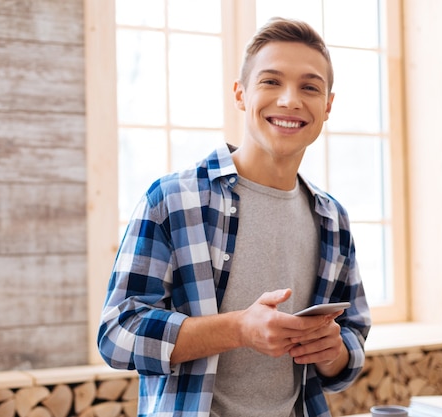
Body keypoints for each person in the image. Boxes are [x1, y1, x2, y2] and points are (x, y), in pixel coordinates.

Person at [97, 17, 371, 417]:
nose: (290, 100)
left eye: (309, 87)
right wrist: (239, 329)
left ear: (327, 105)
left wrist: (333, 352)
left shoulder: (332, 219)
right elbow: (117, 335)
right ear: (241, 93)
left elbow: (353, 339)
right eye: (271, 81)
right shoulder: (173, 199)